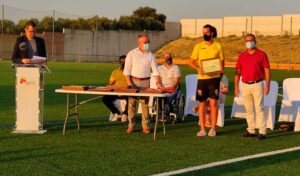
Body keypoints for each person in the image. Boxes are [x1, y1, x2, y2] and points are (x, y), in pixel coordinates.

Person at [189, 24, 225, 137]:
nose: (205, 34)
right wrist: (199, 69)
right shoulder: (198, 46)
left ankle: (213, 128)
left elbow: (222, 62)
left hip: (214, 79)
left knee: (214, 103)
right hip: (202, 79)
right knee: (201, 104)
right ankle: (203, 129)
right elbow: (191, 62)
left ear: (212, 33)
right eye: (203, 32)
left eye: (207, 32)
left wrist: (220, 74)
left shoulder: (218, 46)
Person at [123, 34, 162, 134]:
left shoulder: (151, 55)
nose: (147, 44)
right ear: (139, 43)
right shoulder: (131, 53)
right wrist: (129, 83)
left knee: (145, 104)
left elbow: (155, 70)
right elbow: (126, 70)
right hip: (133, 81)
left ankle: (145, 126)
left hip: (146, 81)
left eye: (148, 42)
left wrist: (158, 82)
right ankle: (131, 125)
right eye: (145, 43)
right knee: (132, 104)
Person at [234, 33, 270, 140]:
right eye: (247, 41)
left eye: (251, 40)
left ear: (255, 41)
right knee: (248, 109)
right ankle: (251, 130)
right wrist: (236, 87)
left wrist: (267, 85)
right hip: (245, 84)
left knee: (259, 108)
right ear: (244, 43)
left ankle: (262, 131)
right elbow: (237, 72)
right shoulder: (242, 56)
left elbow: (267, 70)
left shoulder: (261, 54)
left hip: (257, 84)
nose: (249, 43)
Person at [103, 55, 128, 122]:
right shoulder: (115, 72)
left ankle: (125, 114)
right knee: (105, 99)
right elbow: (110, 83)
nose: (123, 63)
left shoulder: (131, 72)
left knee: (131, 99)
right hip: (116, 91)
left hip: (127, 91)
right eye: (122, 62)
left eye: (125, 62)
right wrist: (107, 89)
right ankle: (117, 113)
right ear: (119, 62)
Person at [157, 52, 181, 120]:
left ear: (171, 58)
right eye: (166, 57)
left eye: (169, 57)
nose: (168, 59)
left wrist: (168, 88)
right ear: (163, 58)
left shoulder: (176, 68)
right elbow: (159, 80)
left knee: (167, 96)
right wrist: (159, 85)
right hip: (162, 88)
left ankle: (165, 112)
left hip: (172, 89)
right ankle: (161, 113)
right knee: (159, 96)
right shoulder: (159, 68)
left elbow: (176, 82)